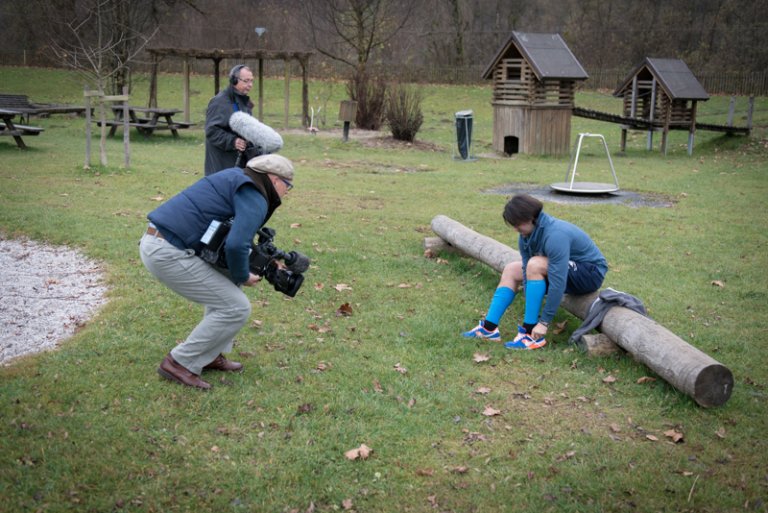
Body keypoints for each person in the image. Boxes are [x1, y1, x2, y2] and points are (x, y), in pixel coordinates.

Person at [139, 154, 295, 389]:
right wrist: (243, 274)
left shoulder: (236, 177)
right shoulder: (255, 194)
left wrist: (240, 271)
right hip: (167, 251)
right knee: (237, 307)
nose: (287, 192)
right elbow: (236, 244)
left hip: (159, 241)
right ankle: (179, 362)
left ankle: (210, 355)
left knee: (228, 281)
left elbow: (232, 240)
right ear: (274, 181)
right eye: (288, 185)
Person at [462, 194, 608, 350]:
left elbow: (558, 282)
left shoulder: (555, 235)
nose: (515, 228)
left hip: (589, 273)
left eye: (518, 224)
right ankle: (489, 328)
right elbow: (526, 270)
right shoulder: (525, 236)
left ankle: (531, 334)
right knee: (512, 269)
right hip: (563, 270)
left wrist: (544, 322)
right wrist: (530, 298)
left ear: (531, 218)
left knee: (535, 264)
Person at [204, 64, 254, 176]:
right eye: (246, 81)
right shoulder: (220, 102)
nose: (250, 85)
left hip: (238, 161)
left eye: (251, 81)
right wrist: (233, 141)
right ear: (234, 80)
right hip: (221, 163)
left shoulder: (244, 101)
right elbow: (211, 131)